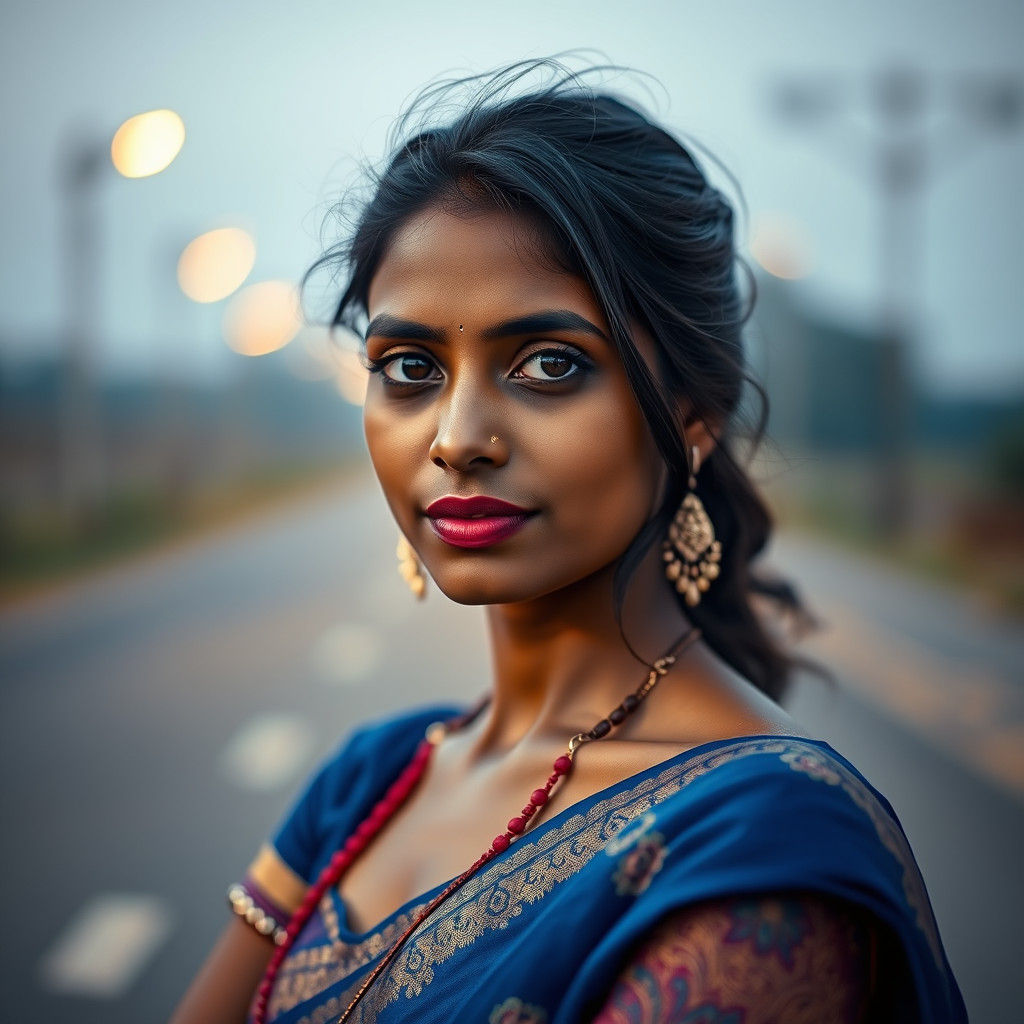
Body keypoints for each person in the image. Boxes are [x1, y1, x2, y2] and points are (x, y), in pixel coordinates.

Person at [170, 56, 968, 1024]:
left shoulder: (757, 848)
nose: (458, 437)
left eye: (549, 363)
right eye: (409, 366)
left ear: (691, 414)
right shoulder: (371, 782)